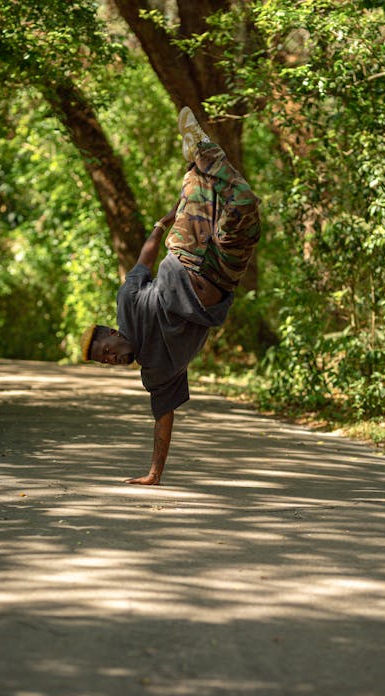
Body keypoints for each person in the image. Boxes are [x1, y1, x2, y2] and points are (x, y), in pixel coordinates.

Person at [81, 107, 261, 485]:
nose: (112, 358)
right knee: (245, 204)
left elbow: (144, 261)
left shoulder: (127, 303)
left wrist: (160, 225)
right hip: (221, 276)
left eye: (106, 349)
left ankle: (200, 149)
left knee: (197, 182)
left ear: (110, 331)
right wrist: (154, 473)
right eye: (106, 362)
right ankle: (199, 152)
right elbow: (163, 418)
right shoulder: (157, 373)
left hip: (185, 250)